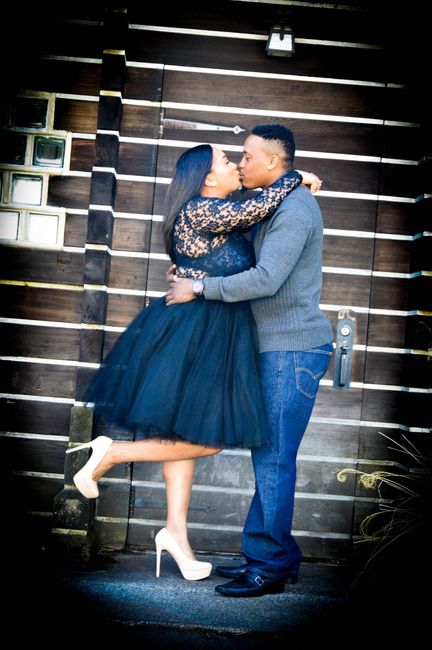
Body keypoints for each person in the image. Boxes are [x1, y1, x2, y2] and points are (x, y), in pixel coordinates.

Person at [65, 141, 320, 582]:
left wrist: (194, 273)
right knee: (209, 439)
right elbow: (260, 205)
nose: (236, 164)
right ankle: (113, 452)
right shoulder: (202, 209)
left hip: (208, 330)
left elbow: (236, 239)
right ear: (207, 177)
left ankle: (176, 535)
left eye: (239, 158)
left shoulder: (219, 213)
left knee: (181, 433)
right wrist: (297, 177)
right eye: (227, 160)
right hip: (198, 333)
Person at [166, 124, 334, 597]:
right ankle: (272, 557)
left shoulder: (294, 209)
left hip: (292, 348)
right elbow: (227, 245)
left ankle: (269, 566)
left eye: (246, 156)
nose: (241, 164)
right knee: (270, 455)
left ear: (273, 162)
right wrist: (190, 268)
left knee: (274, 458)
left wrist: (199, 288)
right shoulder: (274, 202)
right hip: (275, 346)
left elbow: (266, 279)